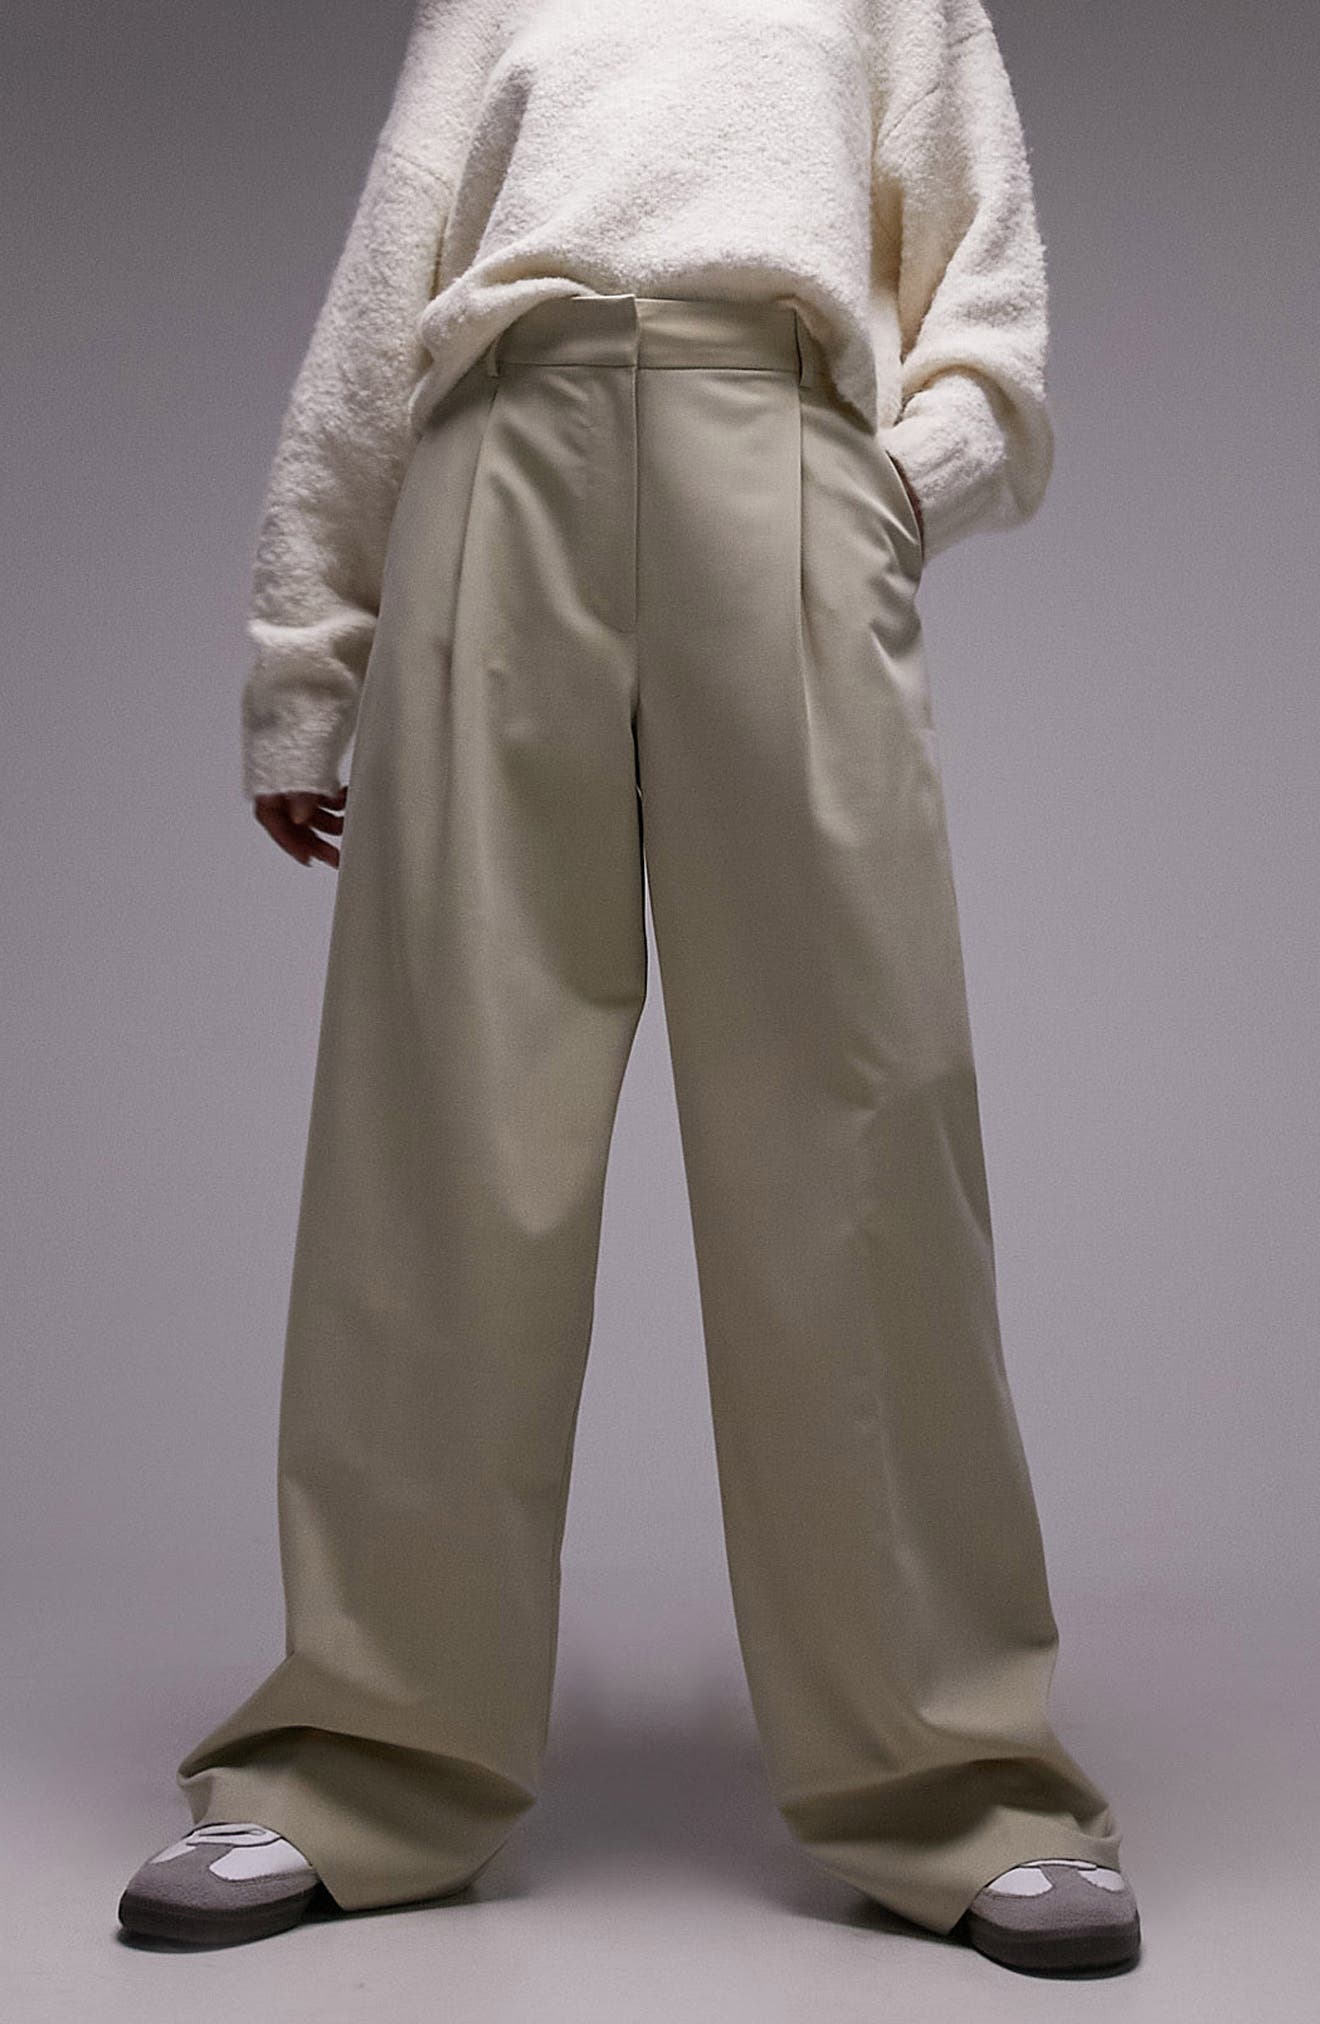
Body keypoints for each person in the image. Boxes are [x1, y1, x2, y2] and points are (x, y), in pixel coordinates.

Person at [118, 0, 1141, 1973]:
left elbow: (988, 297)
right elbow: (386, 292)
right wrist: (308, 654)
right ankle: (362, 1763)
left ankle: (953, 1784)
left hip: (786, 458)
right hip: (502, 464)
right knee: (440, 1142)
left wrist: (889, 489)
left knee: (862, 1136)